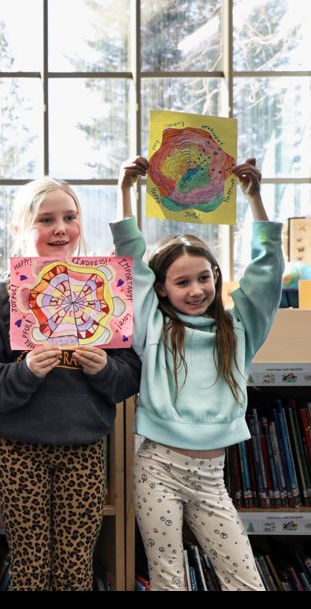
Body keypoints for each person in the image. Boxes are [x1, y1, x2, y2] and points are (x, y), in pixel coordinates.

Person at [0, 177, 142, 591]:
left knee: (76, 571)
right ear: (21, 229)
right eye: (47, 219)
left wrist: (103, 370)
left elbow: (130, 374)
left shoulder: (107, 288)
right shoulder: (1, 299)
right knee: (30, 569)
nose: (61, 228)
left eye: (70, 217)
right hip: (17, 450)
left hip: (84, 448)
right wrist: (24, 373)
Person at [114, 155, 282, 591]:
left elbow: (266, 275)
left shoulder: (238, 329)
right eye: (181, 282)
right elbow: (129, 267)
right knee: (170, 582)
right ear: (163, 288)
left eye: (203, 278)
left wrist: (254, 199)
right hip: (156, 468)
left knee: (246, 582)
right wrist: (126, 192)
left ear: (216, 277)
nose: (196, 290)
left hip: (211, 476)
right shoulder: (152, 324)